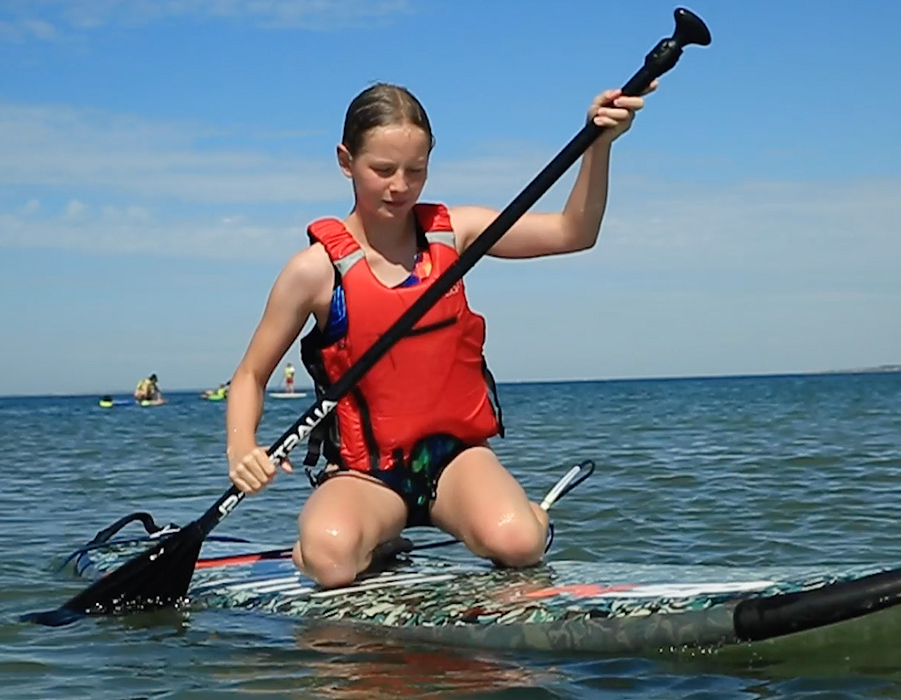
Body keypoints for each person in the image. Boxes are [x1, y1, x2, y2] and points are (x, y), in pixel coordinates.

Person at [225, 81, 651, 589]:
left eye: (415, 170)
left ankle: (524, 516)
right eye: (382, 170)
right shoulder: (314, 273)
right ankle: (354, 543)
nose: (399, 186)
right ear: (346, 161)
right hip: (366, 475)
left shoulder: (457, 233)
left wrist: (597, 144)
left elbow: (573, 233)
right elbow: (251, 374)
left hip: (455, 463)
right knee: (329, 560)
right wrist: (241, 448)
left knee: (518, 544)